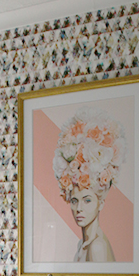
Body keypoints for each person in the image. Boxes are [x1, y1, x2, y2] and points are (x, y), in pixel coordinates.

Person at [52, 107, 127, 262]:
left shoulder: (97, 246)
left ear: (101, 203)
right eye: (74, 200)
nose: (79, 208)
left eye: (87, 200)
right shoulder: (83, 244)